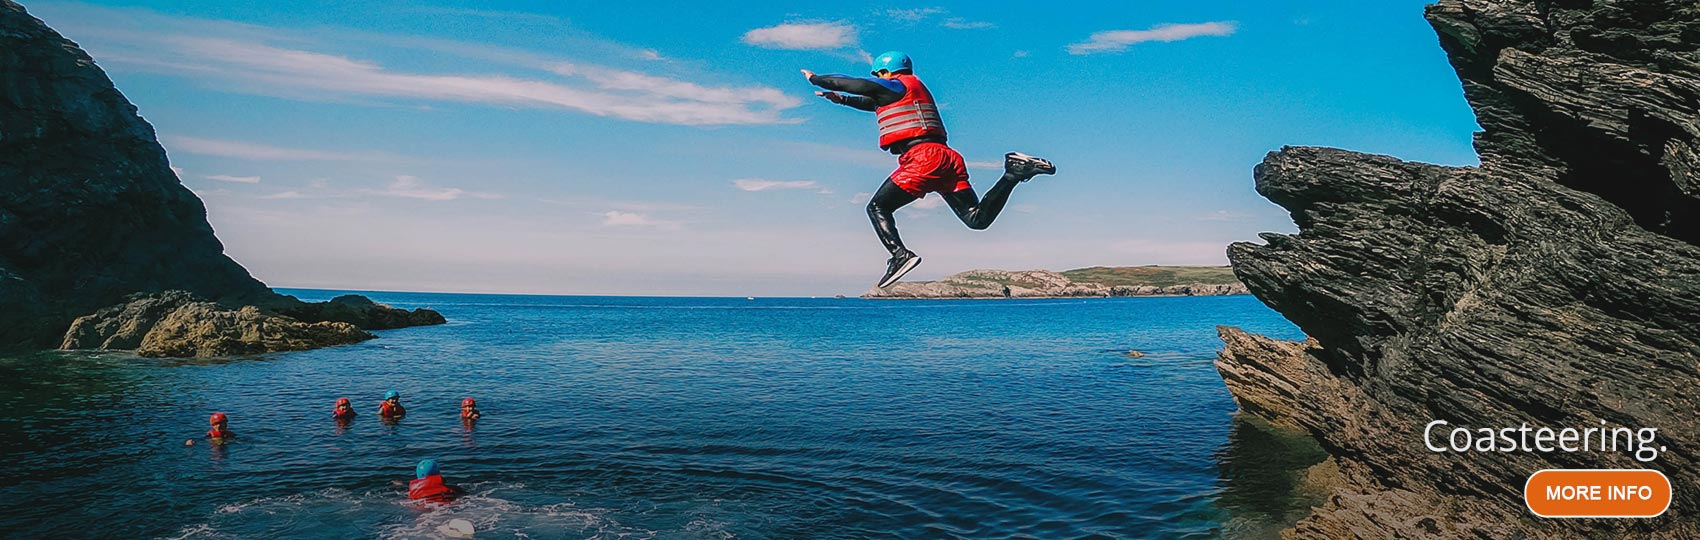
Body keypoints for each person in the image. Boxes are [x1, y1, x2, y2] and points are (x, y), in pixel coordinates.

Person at [803, 51, 1057, 287]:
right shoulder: (904, 92)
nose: (877, 80)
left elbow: (854, 83)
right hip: (947, 158)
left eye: (878, 75)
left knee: (877, 207)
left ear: (885, 72)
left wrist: (816, 79)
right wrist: (843, 101)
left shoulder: (897, 84)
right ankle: (1014, 173)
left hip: (924, 158)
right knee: (976, 219)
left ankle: (900, 255)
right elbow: (872, 102)